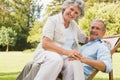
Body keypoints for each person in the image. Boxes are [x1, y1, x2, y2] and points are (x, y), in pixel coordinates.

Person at [16, 0, 87, 80]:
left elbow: (85, 39)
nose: (72, 13)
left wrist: (101, 36)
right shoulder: (53, 20)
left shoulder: (74, 25)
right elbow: (45, 44)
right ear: (66, 7)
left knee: (75, 63)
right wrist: (68, 52)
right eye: (71, 9)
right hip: (48, 52)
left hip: (66, 56)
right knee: (56, 59)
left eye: (76, 13)